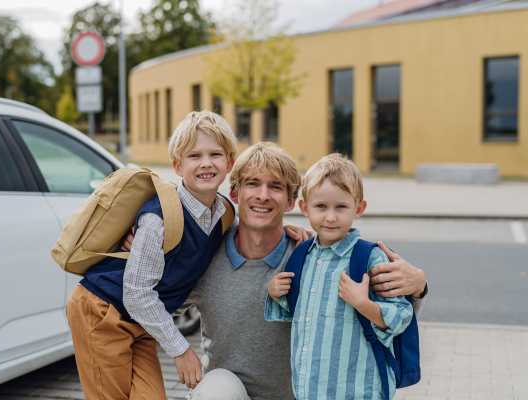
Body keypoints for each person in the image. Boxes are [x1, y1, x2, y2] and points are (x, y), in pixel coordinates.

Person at [183, 143, 428, 400]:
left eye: (275, 186)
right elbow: (154, 303)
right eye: (253, 184)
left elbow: (397, 315)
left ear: (290, 202)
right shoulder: (206, 257)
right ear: (234, 192)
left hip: (312, 394)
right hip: (232, 392)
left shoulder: (306, 254)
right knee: (215, 388)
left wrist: (419, 286)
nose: (263, 195)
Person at [65, 110, 239, 399]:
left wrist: (288, 229)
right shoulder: (159, 217)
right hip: (102, 311)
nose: (206, 163)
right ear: (178, 166)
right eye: (194, 156)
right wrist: (181, 349)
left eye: (215, 154)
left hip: (142, 322)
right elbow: (136, 292)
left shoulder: (223, 214)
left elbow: (246, 230)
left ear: (229, 162)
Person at [266, 153, 414, 400]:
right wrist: (275, 292)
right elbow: (299, 312)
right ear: (305, 208)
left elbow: (402, 315)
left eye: (341, 207)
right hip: (309, 388)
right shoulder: (302, 255)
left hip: (357, 389)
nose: (331, 217)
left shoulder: (369, 258)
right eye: (321, 207)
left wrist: (363, 304)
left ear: (359, 208)